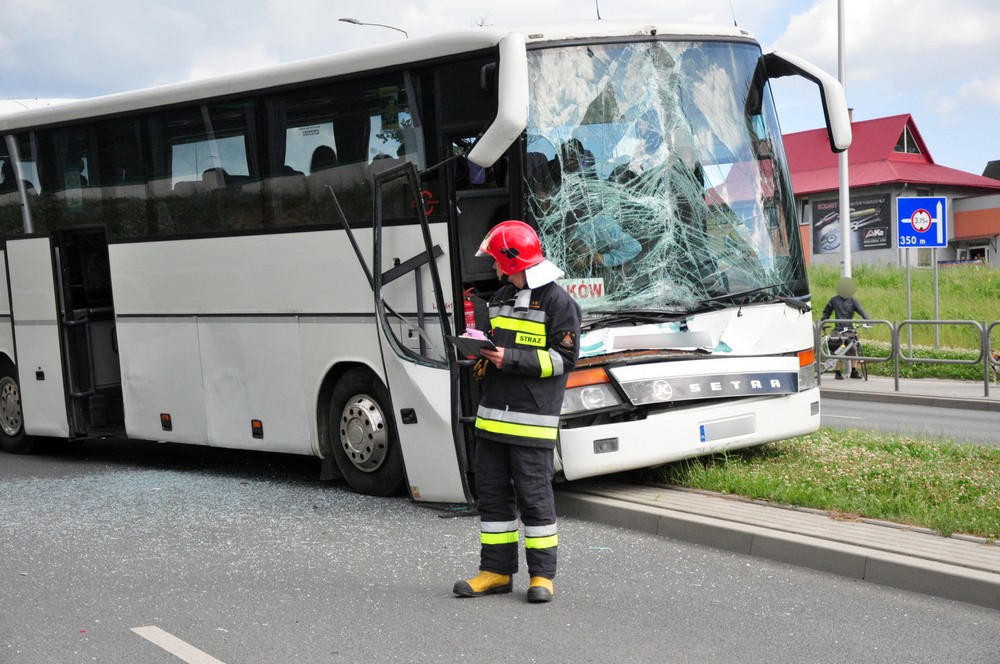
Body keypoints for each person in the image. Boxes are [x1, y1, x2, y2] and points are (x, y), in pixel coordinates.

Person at [453, 220, 581, 604]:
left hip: (532, 422)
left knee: (534, 498)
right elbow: (497, 343)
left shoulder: (559, 303)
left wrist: (509, 358)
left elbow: (564, 359)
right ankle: (495, 571)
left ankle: (542, 577)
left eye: (495, 260)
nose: (493, 268)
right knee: (492, 497)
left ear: (512, 262)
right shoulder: (503, 296)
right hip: (492, 418)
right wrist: (480, 354)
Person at [821, 276, 871, 379]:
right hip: (837, 330)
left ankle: (853, 371)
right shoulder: (834, 300)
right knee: (837, 351)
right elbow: (826, 312)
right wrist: (822, 323)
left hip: (849, 330)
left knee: (853, 350)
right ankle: (837, 372)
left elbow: (862, 311)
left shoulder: (853, 301)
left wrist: (869, 321)